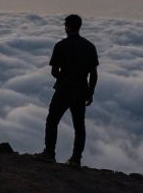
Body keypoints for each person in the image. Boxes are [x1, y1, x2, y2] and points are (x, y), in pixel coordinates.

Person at [38, 14, 98, 167]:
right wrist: (90, 92)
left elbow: (54, 71)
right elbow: (93, 74)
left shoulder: (61, 46)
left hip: (63, 89)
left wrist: (63, 78)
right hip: (81, 90)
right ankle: (76, 159)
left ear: (68, 27)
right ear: (79, 26)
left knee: (52, 120)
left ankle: (49, 153)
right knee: (79, 126)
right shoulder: (90, 47)